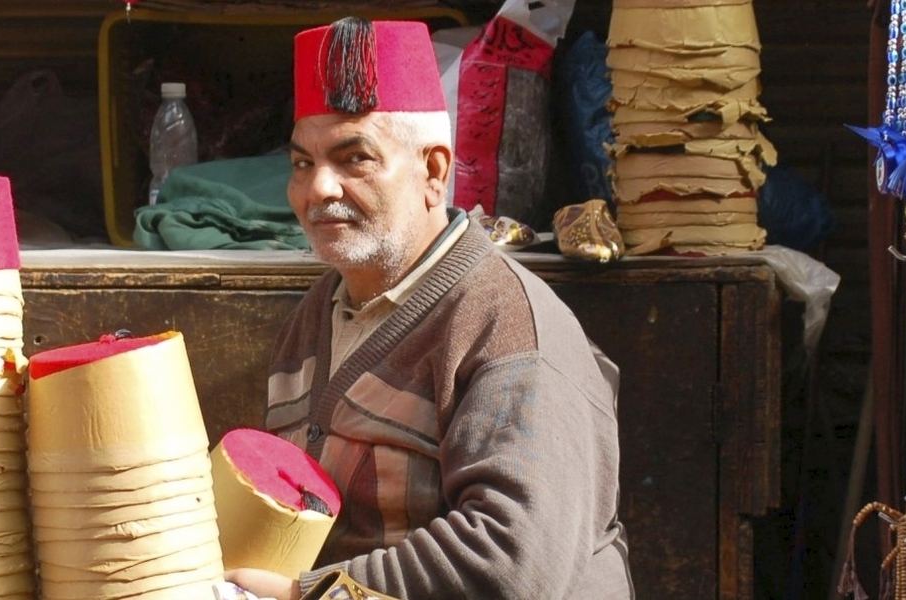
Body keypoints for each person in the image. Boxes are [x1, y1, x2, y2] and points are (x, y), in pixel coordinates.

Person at [222, 17, 633, 600]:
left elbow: (512, 564)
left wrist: (304, 594)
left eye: (354, 158)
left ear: (434, 171)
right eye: (302, 163)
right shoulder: (321, 311)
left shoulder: (509, 329)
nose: (318, 190)